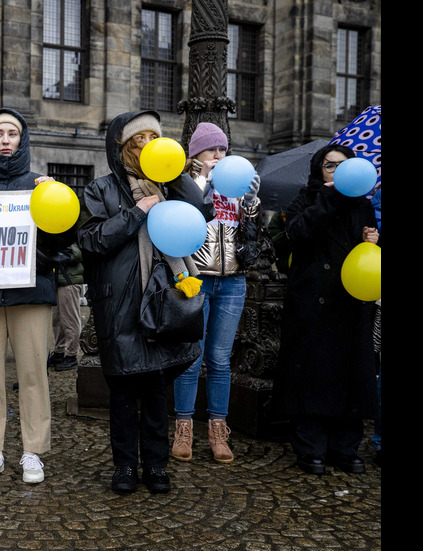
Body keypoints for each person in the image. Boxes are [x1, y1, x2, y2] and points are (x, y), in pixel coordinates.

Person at [77, 110, 213, 494]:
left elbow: (203, 213)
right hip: (120, 304)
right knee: (122, 391)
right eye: (140, 140)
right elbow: (91, 240)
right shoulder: (101, 189)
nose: (149, 145)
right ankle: (124, 466)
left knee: (156, 390)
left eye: (155, 138)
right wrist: (138, 212)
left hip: (163, 301)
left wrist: (180, 176)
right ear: (122, 150)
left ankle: (155, 465)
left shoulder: (169, 184)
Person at [0, 108, 73, 485]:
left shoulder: (41, 183)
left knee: (33, 372)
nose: (5, 140)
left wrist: (53, 203)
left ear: (22, 140)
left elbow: (61, 244)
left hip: (31, 292)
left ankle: (32, 451)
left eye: (12, 134)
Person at [272, 143, 379, 475]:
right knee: (313, 374)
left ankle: (345, 447)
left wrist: (373, 240)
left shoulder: (363, 205)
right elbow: (296, 233)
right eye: (330, 165)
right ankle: (310, 447)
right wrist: (328, 199)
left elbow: (366, 251)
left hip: (351, 302)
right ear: (319, 169)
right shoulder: (308, 197)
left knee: (352, 372)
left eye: (342, 166)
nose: (336, 171)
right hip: (314, 300)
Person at [171, 122, 262, 464]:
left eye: (222, 149)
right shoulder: (185, 183)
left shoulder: (237, 185)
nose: (218, 155)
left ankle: (218, 430)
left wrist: (251, 204)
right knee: (191, 356)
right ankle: (183, 428)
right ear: (196, 153)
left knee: (221, 359)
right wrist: (204, 185)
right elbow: (180, 225)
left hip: (233, 282)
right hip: (197, 279)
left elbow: (253, 241)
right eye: (211, 149)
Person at [48, 243, 84, 371]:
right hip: (59, 282)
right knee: (57, 319)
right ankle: (59, 351)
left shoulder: (69, 236)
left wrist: (59, 252)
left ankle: (71, 356)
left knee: (70, 320)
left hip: (69, 282)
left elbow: (77, 253)